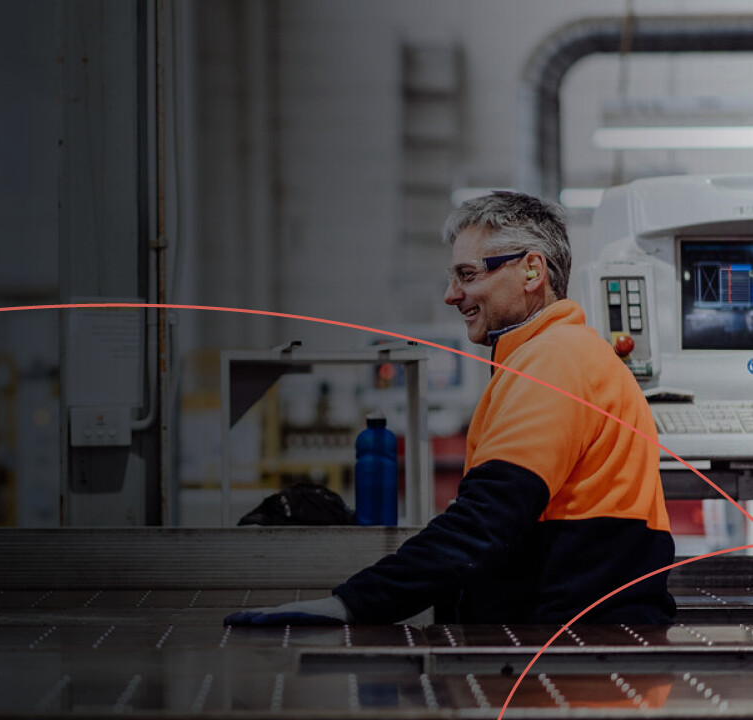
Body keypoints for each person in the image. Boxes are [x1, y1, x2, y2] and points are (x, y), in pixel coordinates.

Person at [226, 191, 676, 627]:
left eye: (467, 274)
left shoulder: (553, 359)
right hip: (579, 640)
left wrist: (352, 604)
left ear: (531, 271)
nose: (451, 294)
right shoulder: (557, 353)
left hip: (572, 657)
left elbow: (485, 521)